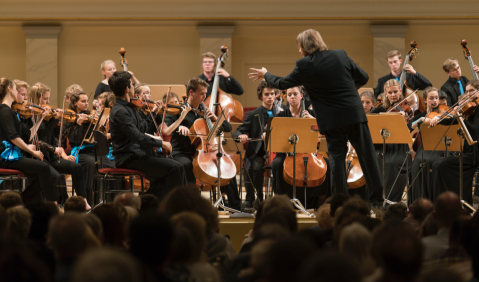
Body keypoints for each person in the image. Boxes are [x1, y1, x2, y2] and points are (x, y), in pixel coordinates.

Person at [249, 29, 384, 209]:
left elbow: (282, 84)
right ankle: (377, 203)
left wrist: (266, 74)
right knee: (367, 156)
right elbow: (364, 77)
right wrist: (346, 91)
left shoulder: (304, 65)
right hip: (353, 113)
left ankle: (341, 206)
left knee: (337, 161)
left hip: (331, 120)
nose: (299, 51)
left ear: (305, 47)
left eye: (299, 47)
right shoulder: (340, 55)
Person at [164, 77, 241, 211]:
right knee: (186, 165)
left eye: (206, 93)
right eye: (202, 94)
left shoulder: (204, 112)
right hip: (183, 152)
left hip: (204, 151)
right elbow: (168, 127)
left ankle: (235, 206)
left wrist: (216, 119)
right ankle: (190, 205)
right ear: (191, 93)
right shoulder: (178, 110)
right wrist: (179, 128)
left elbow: (228, 128)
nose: (205, 97)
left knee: (225, 165)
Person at [108, 71, 186, 201]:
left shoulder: (127, 108)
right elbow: (138, 137)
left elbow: (141, 128)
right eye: (132, 85)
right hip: (128, 158)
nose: (133, 87)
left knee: (172, 169)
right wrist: (161, 143)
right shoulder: (120, 111)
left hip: (136, 154)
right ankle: (176, 208)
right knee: (175, 167)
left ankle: (150, 206)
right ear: (127, 89)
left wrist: (153, 113)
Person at [28, 83, 90, 209]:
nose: (48, 102)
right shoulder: (30, 117)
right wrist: (54, 148)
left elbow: (60, 136)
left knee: (77, 167)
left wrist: (75, 124)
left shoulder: (49, 117)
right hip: (39, 158)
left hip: (52, 158)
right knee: (54, 176)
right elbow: (35, 140)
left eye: (48, 98)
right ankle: (52, 206)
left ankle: (83, 202)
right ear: (36, 99)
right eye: (45, 99)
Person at [271, 85, 331, 209]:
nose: (292, 97)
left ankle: (321, 204)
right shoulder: (281, 117)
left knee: (328, 165)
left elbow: (325, 132)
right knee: (276, 164)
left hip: (310, 153)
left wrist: (314, 121)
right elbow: (276, 138)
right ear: (286, 97)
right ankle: (281, 203)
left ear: (301, 96)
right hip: (287, 154)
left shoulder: (311, 114)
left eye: (295, 94)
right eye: (289, 95)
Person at [0, 78, 57, 205]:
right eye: (15, 88)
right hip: (6, 157)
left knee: (45, 173)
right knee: (44, 169)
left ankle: (21, 202)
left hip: (13, 157)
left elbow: (29, 135)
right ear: (9, 89)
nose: (16, 91)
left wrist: (41, 117)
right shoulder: (4, 110)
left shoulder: (11, 111)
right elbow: (13, 137)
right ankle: (52, 206)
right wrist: (34, 152)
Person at [430, 79, 479, 205]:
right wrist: (438, 119)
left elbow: (474, 129)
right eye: (467, 91)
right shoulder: (472, 107)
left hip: (475, 153)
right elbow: (453, 121)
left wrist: (460, 116)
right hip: (468, 151)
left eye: (472, 91)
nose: (468, 94)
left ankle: (452, 203)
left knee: (442, 165)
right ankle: (445, 204)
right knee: (437, 165)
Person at [63, 91, 116, 204]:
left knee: (111, 166)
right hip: (80, 152)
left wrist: (104, 124)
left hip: (94, 151)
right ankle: (91, 202)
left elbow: (99, 135)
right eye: (83, 101)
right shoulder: (69, 118)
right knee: (92, 165)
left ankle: (110, 202)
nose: (87, 104)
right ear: (75, 103)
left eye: (87, 101)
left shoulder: (91, 115)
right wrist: (78, 124)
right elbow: (75, 140)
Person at [233, 80, 277, 209]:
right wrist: (240, 135)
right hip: (258, 152)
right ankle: (258, 198)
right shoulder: (252, 114)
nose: (270, 97)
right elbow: (238, 130)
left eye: (272, 94)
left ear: (276, 95)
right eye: (267, 94)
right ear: (261, 96)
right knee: (255, 167)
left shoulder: (281, 113)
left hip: (277, 151)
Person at [371, 79, 412, 204]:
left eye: (395, 92)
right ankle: (379, 201)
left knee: (395, 163)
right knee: (380, 162)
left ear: (400, 91)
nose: (393, 95)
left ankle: (392, 201)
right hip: (382, 146)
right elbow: (371, 128)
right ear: (385, 93)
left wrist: (404, 121)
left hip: (399, 147)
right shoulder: (379, 110)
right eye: (390, 92)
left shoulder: (405, 109)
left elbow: (408, 131)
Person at [409, 87, 446, 204]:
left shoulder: (443, 112)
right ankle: (419, 201)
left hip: (440, 146)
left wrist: (438, 117)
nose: (435, 100)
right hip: (424, 147)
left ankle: (435, 199)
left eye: (436, 98)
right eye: (431, 98)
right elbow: (410, 127)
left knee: (433, 162)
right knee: (418, 162)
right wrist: (420, 120)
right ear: (425, 100)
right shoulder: (422, 115)